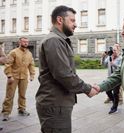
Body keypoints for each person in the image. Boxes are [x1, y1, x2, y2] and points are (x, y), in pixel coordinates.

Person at [35, 5, 98, 133]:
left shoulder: (59, 40)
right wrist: (87, 89)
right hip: (54, 105)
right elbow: (63, 74)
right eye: (72, 20)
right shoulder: (54, 40)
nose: (76, 24)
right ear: (60, 20)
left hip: (58, 104)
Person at [1, 37, 35, 121]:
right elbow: (8, 64)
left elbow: (31, 65)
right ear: (19, 42)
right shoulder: (13, 52)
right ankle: (6, 112)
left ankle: (22, 109)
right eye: (24, 42)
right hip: (13, 77)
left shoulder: (29, 54)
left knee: (22, 95)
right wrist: (9, 76)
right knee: (9, 96)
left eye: (27, 42)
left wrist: (32, 75)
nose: (26, 43)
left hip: (24, 78)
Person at [101, 44, 122, 114]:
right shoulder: (109, 57)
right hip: (110, 78)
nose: (113, 52)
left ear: (118, 51)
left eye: (115, 50)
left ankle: (115, 107)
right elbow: (103, 65)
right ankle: (114, 102)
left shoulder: (120, 58)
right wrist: (103, 57)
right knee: (107, 91)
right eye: (112, 50)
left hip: (117, 78)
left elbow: (121, 68)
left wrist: (114, 64)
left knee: (116, 93)